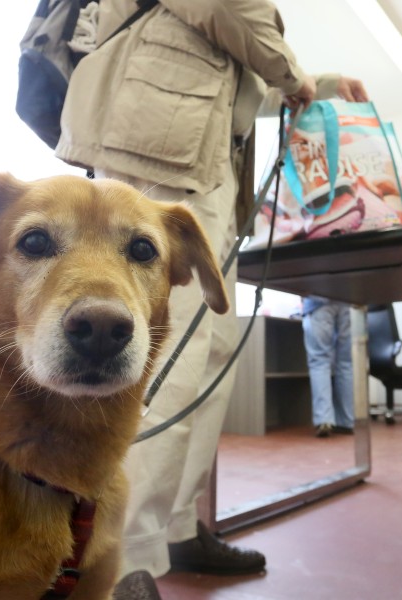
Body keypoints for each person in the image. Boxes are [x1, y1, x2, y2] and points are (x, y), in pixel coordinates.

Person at [56, 1, 369, 594]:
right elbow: (222, 8)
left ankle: (176, 525)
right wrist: (296, 75)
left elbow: (240, 74)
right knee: (171, 356)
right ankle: (120, 553)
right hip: (161, 144)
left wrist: (313, 86)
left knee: (212, 353)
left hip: (206, 161)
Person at [301, 296, 355, 437]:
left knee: (319, 361)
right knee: (346, 364)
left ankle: (324, 420)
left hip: (318, 299)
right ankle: (346, 421)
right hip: (348, 300)